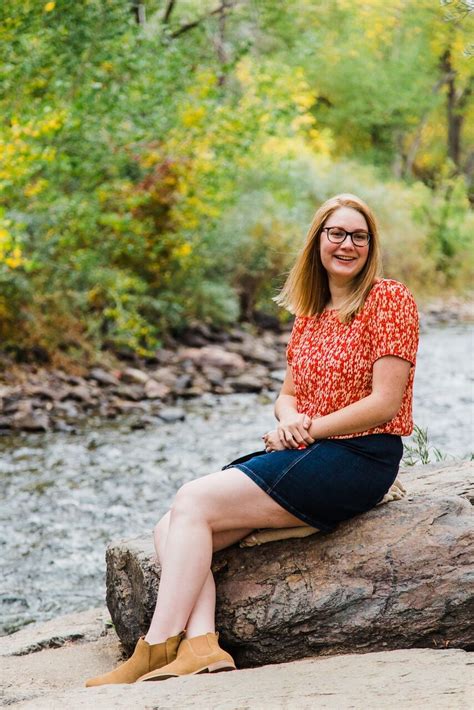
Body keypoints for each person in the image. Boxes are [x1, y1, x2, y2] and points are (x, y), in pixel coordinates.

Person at [85, 193, 419, 686]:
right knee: (168, 527)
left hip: (359, 458)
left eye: (359, 236)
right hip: (311, 449)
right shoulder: (311, 313)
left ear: (371, 246)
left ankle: (155, 647)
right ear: (318, 242)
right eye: (337, 234)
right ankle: (203, 645)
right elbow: (287, 395)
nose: (348, 244)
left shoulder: (389, 299)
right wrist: (289, 421)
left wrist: (308, 427)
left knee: (192, 499)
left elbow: (384, 403)